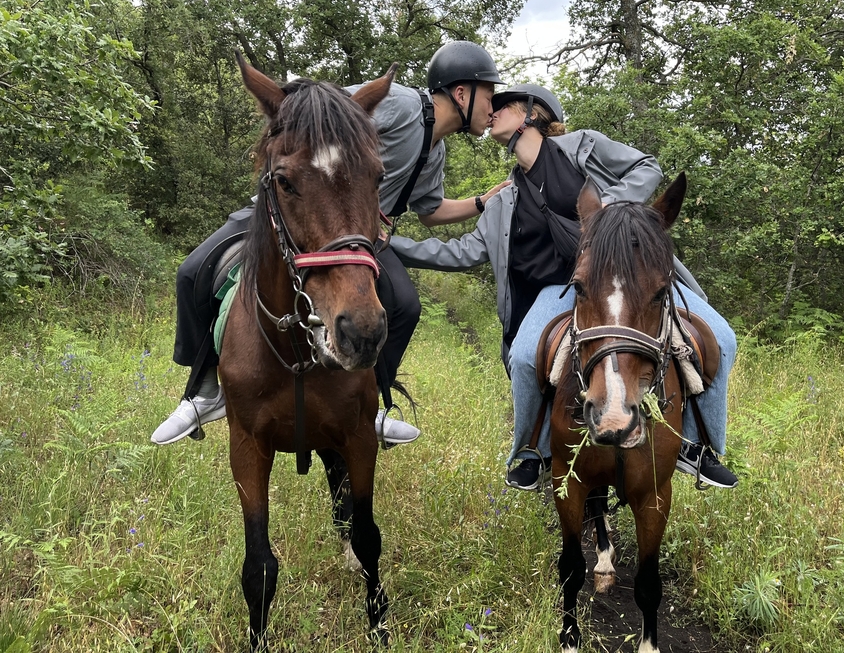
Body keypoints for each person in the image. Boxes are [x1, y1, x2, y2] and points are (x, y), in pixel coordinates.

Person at [150, 41, 508, 447]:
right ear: (462, 93)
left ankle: (371, 402)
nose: (493, 107)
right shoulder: (404, 105)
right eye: (490, 95)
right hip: (293, 214)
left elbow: (430, 210)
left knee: (405, 305)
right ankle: (203, 389)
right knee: (192, 272)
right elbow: (328, 107)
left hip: (359, 240)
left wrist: (482, 202)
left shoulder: (435, 151)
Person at [389, 84, 738, 490]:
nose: (493, 111)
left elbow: (648, 167)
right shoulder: (504, 199)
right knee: (522, 357)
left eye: (505, 106)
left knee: (723, 339)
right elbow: (461, 252)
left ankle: (698, 447)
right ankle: (531, 451)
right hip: (559, 291)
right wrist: (387, 245)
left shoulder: (583, 147)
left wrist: (606, 212)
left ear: (531, 115)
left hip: (633, 277)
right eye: (493, 105)